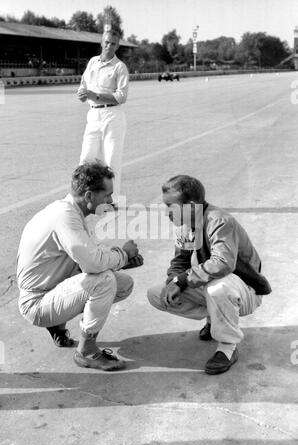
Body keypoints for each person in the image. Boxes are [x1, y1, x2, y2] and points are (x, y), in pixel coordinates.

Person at [17, 163, 143, 371]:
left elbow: (90, 256)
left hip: (49, 289)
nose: (110, 201)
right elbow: (93, 263)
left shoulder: (68, 211)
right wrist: (123, 255)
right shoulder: (65, 218)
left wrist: (122, 261)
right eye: (107, 195)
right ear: (88, 196)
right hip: (37, 303)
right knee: (104, 282)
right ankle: (87, 351)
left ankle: (57, 324)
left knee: (123, 284)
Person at [147, 175, 272, 375]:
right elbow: (179, 262)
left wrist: (182, 280)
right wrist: (173, 281)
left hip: (245, 291)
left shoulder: (219, 220)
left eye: (170, 206)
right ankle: (216, 319)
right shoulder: (185, 225)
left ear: (190, 205)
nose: (166, 213)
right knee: (157, 294)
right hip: (218, 288)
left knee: (218, 287)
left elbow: (223, 263)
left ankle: (227, 347)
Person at [77, 29, 129, 201]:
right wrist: (82, 93)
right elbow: (83, 84)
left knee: (111, 160)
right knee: (86, 157)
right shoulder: (92, 62)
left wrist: (95, 96)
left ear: (117, 46)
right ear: (101, 42)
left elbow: (121, 97)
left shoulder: (119, 67)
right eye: (106, 42)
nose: (109, 46)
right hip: (93, 115)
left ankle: (112, 200)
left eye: (113, 43)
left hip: (112, 115)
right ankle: (81, 196)